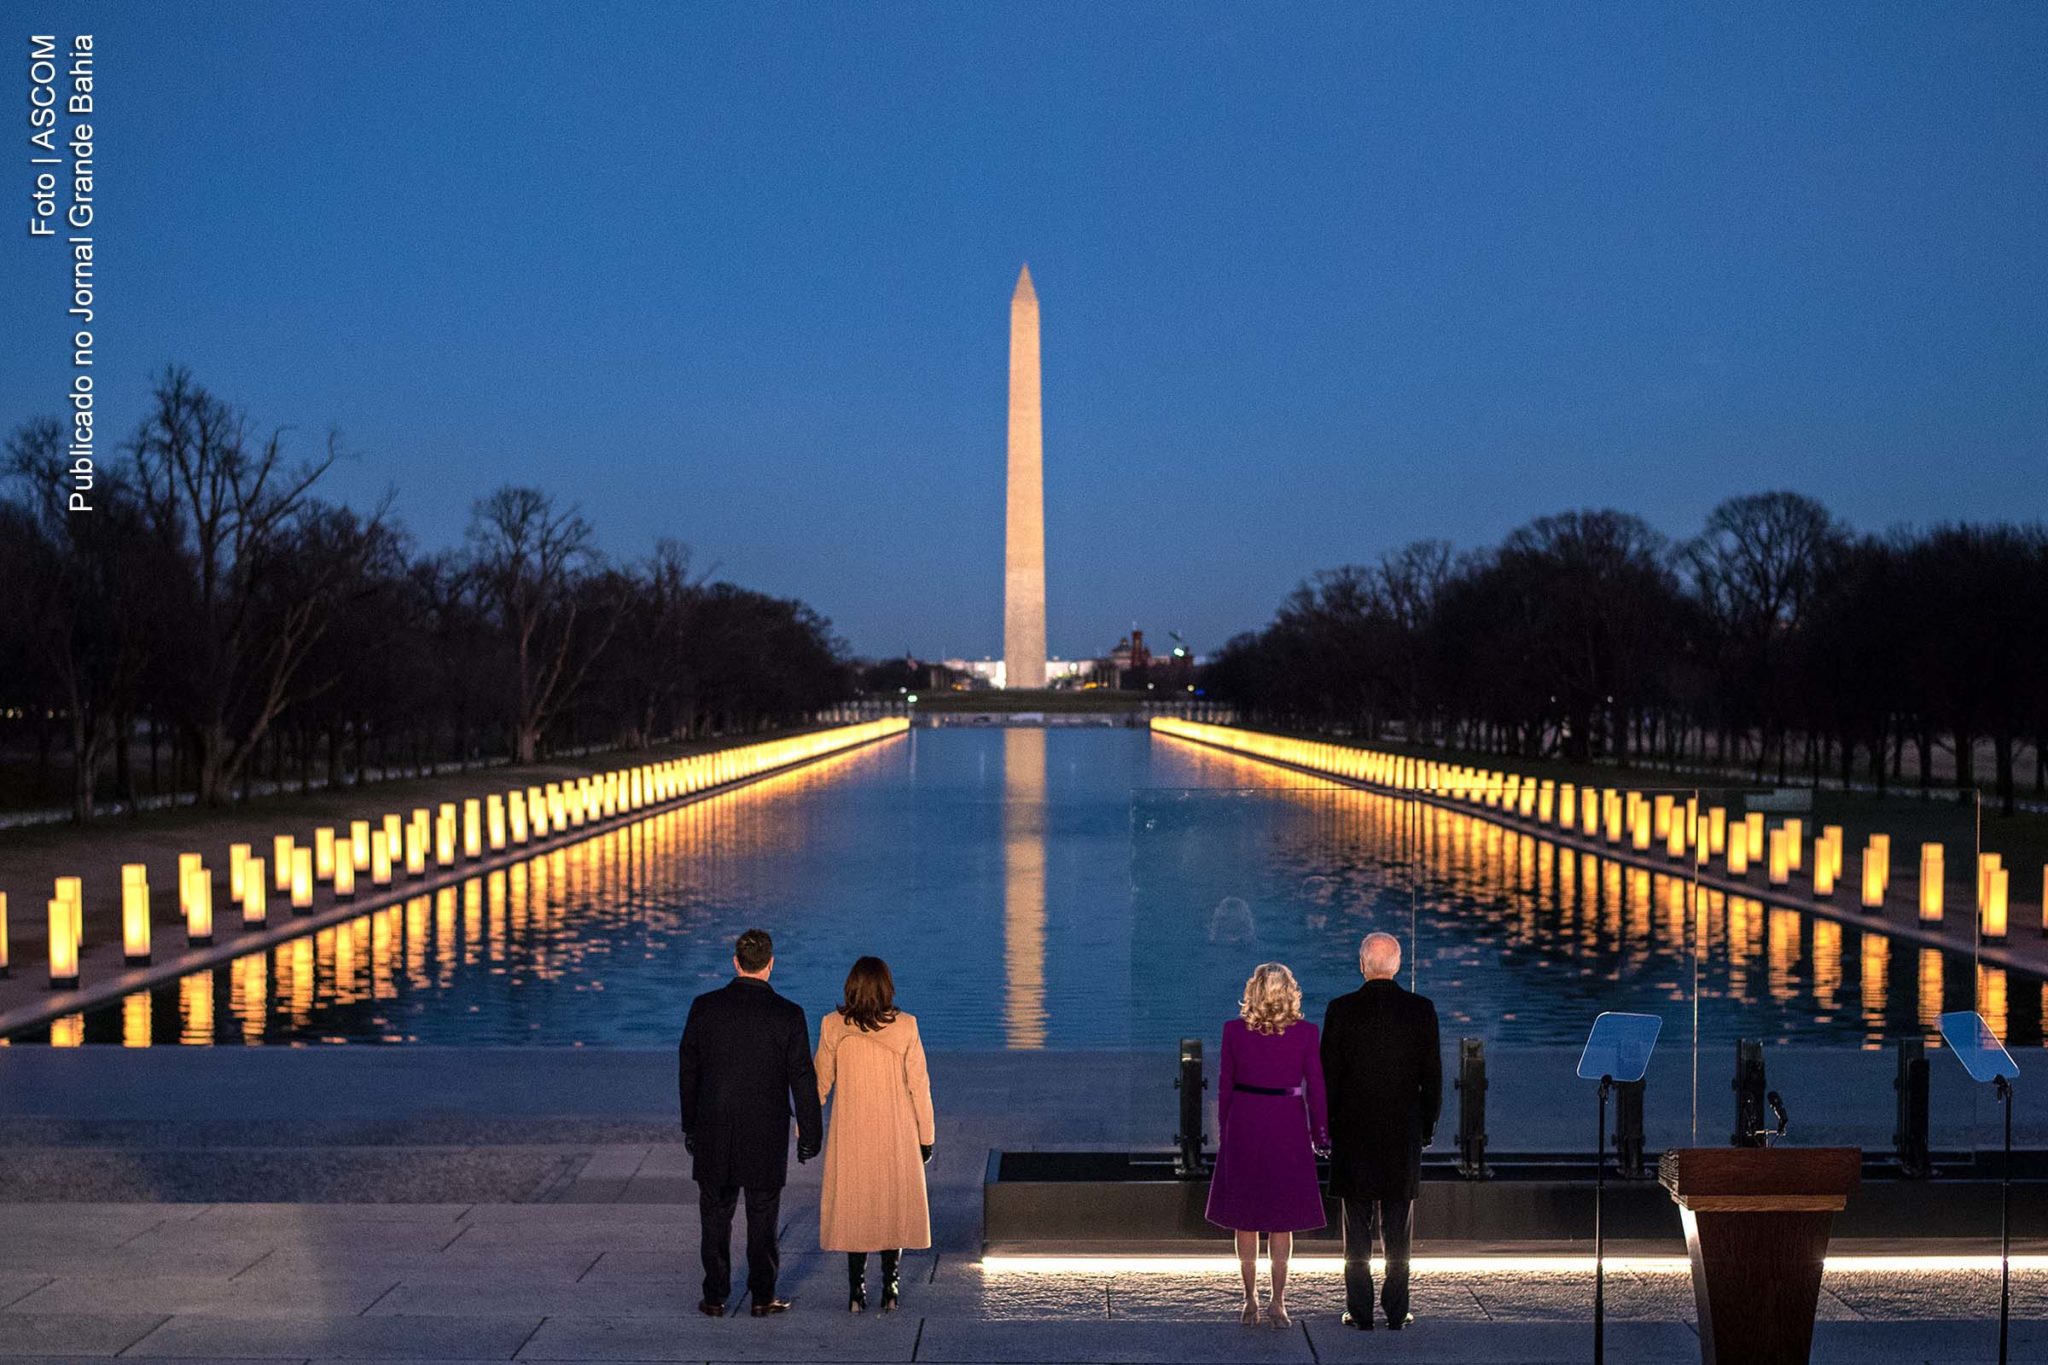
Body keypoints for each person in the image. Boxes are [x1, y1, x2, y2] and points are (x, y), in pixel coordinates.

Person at [677, 927, 825, 1318]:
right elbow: (802, 1078)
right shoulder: (789, 1014)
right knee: (763, 1216)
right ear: (771, 965)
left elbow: (688, 1070)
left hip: (713, 1127)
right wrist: (810, 1135)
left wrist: (689, 1125)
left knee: (715, 1214)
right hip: (764, 1131)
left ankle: (715, 1296)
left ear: (735, 963)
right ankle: (762, 1296)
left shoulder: (703, 1007)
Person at [1321, 931, 1441, 1332]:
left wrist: (1327, 1128)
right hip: (1400, 1137)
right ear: (1398, 966)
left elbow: (1329, 1079)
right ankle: (1396, 1311)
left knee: (1356, 1232)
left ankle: (1359, 1312)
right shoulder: (1421, 1010)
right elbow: (1433, 1078)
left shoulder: (1340, 1010)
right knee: (1398, 1231)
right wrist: (1425, 1128)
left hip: (1353, 1137)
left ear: (1361, 965)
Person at [1204, 962, 1329, 1330]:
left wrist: (1225, 1131)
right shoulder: (1306, 1033)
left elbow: (1226, 1085)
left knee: (1245, 1217)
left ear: (1253, 991)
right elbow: (1316, 1088)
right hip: (1287, 1123)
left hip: (1245, 1121)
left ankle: (1249, 1299)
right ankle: (1279, 1302)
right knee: (1281, 1219)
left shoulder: (1233, 1032)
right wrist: (1321, 1133)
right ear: (1290, 991)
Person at [815, 956, 936, 1313]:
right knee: (890, 1207)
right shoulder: (906, 1027)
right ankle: (892, 1287)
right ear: (887, 987)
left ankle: (856, 1291)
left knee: (857, 1210)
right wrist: (925, 1137)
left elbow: (819, 1083)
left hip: (851, 1133)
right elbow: (920, 1088)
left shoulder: (833, 1026)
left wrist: (804, 1128)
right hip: (895, 1132)